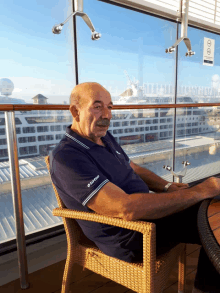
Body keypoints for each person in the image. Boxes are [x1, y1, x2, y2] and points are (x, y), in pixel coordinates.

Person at [50, 82, 220, 293]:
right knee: (212, 219)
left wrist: (166, 187)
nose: (107, 115)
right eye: (97, 106)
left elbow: (130, 166)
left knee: (213, 209)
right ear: (75, 111)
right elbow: (125, 209)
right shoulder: (68, 157)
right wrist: (201, 190)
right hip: (132, 236)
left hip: (148, 215)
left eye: (110, 107)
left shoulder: (102, 136)